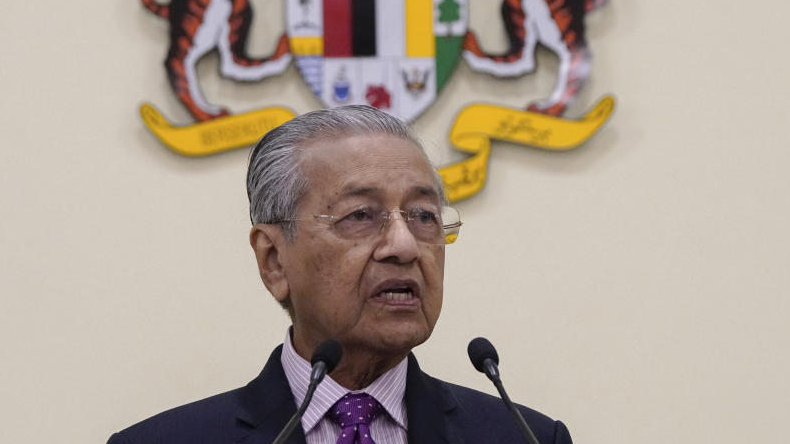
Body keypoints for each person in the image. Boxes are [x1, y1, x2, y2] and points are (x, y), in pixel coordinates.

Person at [107, 105, 572, 443]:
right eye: (361, 216)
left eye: (424, 216)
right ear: (273, 260)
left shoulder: (525, 438)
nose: (404, 246)